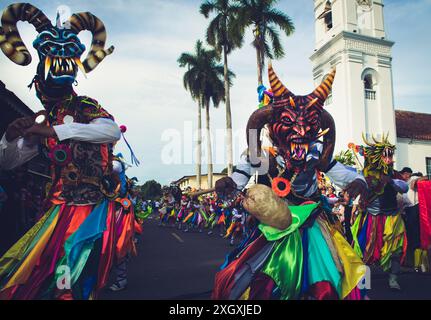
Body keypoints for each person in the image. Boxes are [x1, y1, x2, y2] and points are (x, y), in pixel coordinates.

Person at [213, 65, 367, 300]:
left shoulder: (315, 152)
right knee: (263, 285)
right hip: (274, 224)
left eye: (308, 125)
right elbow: (243, 172)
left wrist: (359, 181)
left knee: (325, 283)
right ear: (274, 129)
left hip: (311, 225)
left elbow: (342, 172)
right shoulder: (265, 155)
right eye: (291, 123)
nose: (301, 130)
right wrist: (230, 184)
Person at [0, 3, 119, 299]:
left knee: (73, 275)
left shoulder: (85, 106)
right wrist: (11, 137)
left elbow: (111, 130)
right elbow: (10, 163)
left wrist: (57, 131)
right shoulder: (45, 118)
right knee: (52, 275)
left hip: (87, 210)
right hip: (55, 209)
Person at [351, 135, 408, 291]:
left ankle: (393, 279)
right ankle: (363, 283)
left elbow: (404, 188)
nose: (389, 159)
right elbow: (358, 191)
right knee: (363, 250)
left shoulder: (394, 174)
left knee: (394, 250)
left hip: (391, 218)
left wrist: (389, 181)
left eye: (390, 155)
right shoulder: (367, 175)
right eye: (385, 155)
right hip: (371, 218)